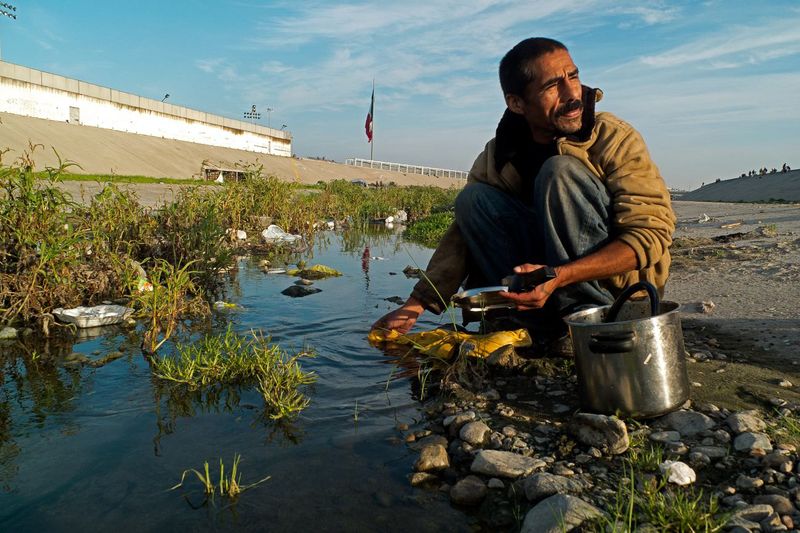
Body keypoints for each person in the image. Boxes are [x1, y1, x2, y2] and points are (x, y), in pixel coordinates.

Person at [371, 37, 675, 345]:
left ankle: (586, 321)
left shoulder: (613, 137)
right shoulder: (500, 155)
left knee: (560, 171)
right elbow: (462, 234)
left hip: (617, 295)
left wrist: (560, 275)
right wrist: (417, 303)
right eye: (552, 86)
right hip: (546, 288)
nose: (573, 94)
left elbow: (651, 234)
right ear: (517, 103)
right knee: (472, 201)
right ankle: (524, 317)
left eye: (573, 76)